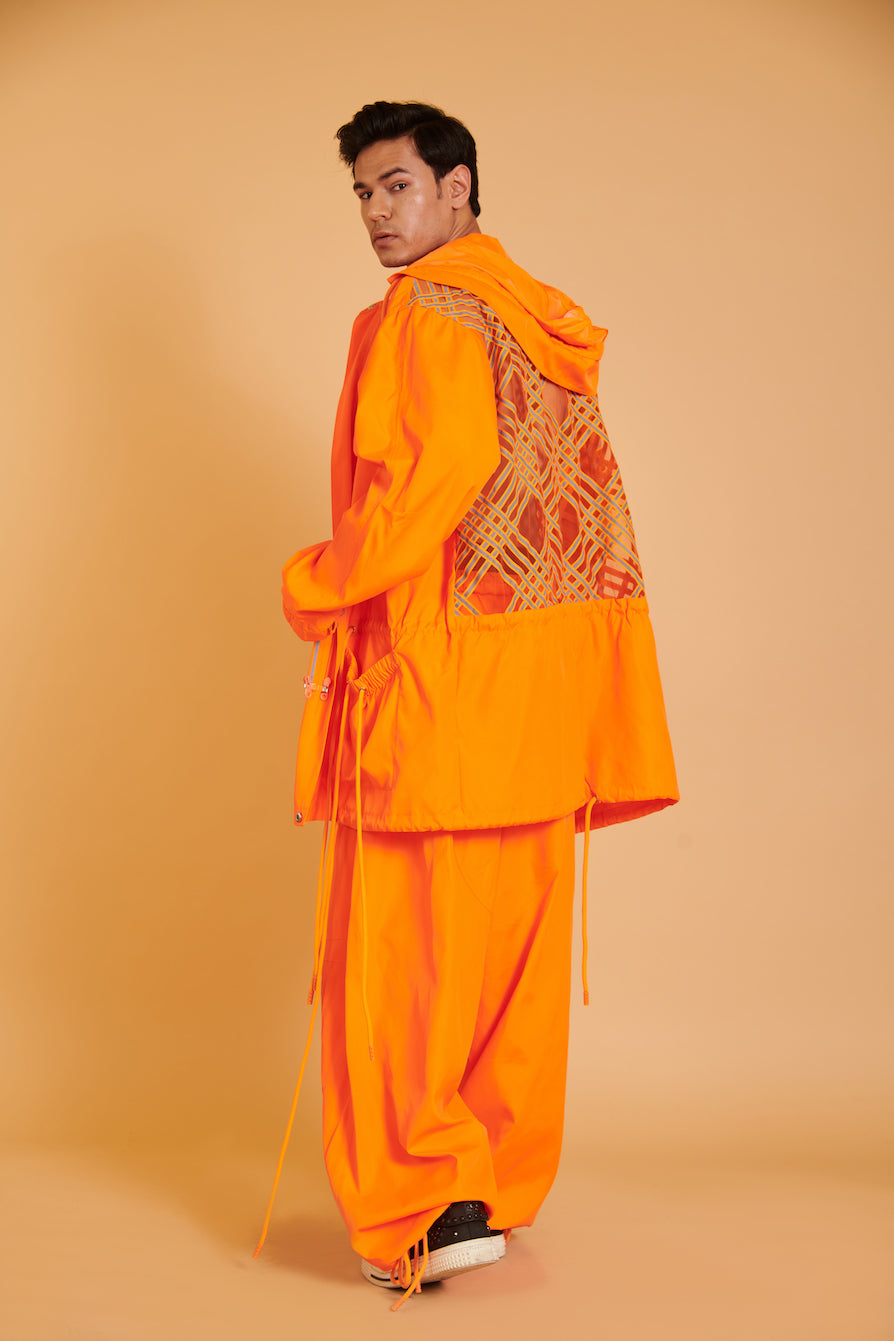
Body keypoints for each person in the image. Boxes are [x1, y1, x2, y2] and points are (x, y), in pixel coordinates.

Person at [258, 100, 678, 1310]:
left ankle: (420, 1210)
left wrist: (318, 581)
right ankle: (487, 1187)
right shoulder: (537, 322)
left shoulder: (433, 313)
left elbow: (433, 478)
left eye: (396, 186)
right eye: (363, 194)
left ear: (458, 186)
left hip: (441, 695)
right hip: (546, 704)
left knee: (401, 968)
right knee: (506, 969)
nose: (376, 214)